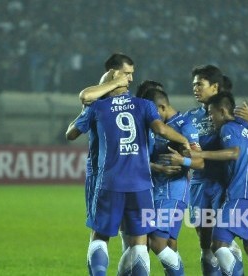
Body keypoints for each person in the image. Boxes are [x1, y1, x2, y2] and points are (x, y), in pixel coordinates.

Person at [66, 53, 191, 276]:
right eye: (127, 74)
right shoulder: (143, 105)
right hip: (141, 185)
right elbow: (161, 129)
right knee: (139, 244)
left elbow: (72, 132)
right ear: (115, 75)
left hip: (110, 181)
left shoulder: (98, 107)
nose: (131, 79)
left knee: (99, 237)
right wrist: (184, 140)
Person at [183, 65, 248, 276]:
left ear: (216, 87)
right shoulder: (190, 116)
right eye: (194, 85)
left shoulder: (231, 118)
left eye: (199, 84)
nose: (195, 89)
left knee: (219, 240)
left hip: (226, 185)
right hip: (200, 183)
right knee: (205, 240)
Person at [142, 87, 204, 276]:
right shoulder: (154, 126)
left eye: (153, 113)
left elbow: (200, 161)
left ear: (161, 107)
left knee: (155, 241)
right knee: (168, 243)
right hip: (153, 189)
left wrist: (183, 160)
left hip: (174, 191)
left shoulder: (185, 125)